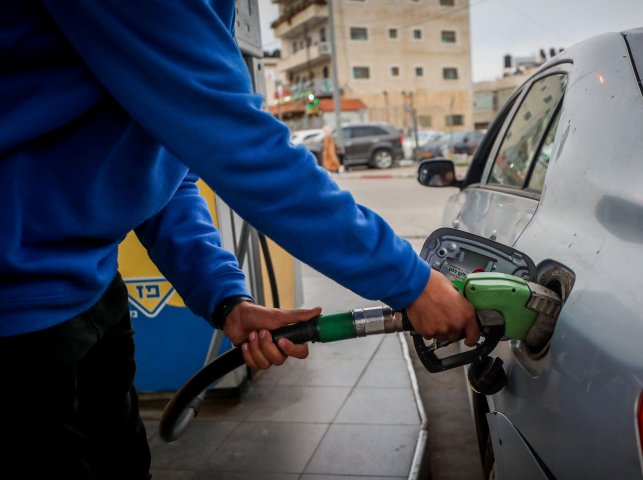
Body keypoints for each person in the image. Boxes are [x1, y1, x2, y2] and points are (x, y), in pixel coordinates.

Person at [0, 2, 478, 479]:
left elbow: (167, 170)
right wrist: (411, 282)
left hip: (90, 282)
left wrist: (226, 299)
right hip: (15, 305)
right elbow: (244, 147)